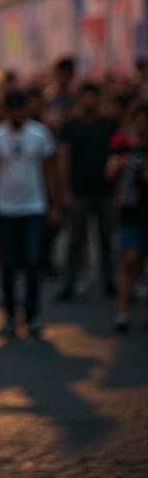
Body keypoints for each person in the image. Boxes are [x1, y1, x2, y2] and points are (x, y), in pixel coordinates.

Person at [0, 90, 59, 337]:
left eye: (20, 109)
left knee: (33, 262)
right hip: (5, 209)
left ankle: (32, 315)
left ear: (27, 108)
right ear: (6, 111)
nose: (16, 114)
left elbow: (49, 172)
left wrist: (53, 204)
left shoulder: (40, 134)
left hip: (34, 208)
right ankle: (11, 316)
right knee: (9, 265)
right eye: (11, 110)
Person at [57, 81, 117, 300]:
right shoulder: (70, 127)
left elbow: (117, 156)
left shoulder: (109, 125)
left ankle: (110, 281)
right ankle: (69, 283)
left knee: (106, 238)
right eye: (85, 96)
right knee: (75, 240)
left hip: (104, 191)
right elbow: (63, 160)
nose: (89, 101)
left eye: (93, 96)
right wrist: (64, 190)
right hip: (79, 191)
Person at [106, 103, 148, 332]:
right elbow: (109, 173)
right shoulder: (121, 143)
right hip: (130, 211)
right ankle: (122, 313)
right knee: (129, 259)